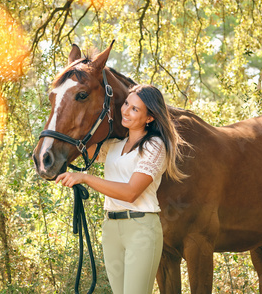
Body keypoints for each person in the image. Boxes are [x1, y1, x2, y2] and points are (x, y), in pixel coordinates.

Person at [56, 84, 187, 294]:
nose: (125, 110)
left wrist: (85, 178)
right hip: (111, 229)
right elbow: (76, 147)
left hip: (141, 228)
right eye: (126, 103)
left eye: (135, 109)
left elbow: (130, 192)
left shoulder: (155, 146)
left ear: (149, 118)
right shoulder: (114, 146)